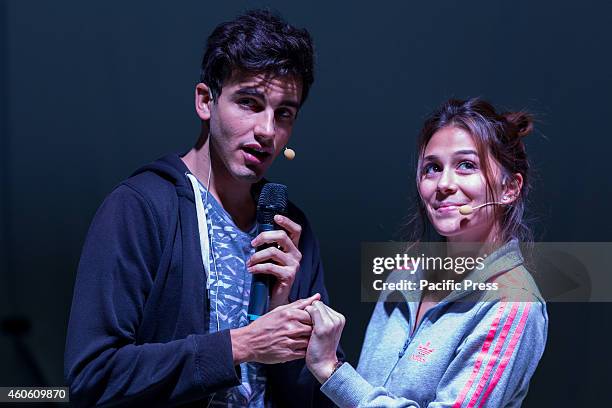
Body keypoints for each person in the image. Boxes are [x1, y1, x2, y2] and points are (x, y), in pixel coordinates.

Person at [64, 9, 340, 407]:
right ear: (205, 101)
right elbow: (92, 378)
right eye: (249, 102)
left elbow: (310, 395)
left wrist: (286, 318)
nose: (267, 130)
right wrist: (238, 346)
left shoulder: (289, 227)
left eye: (284, 114)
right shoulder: (141, 208)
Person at [303, 98, 548, 407]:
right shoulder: (403, 275)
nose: (443, 184)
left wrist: (332, 372)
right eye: (432, 168)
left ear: (509, 188)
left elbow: (348, 388)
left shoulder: (513, 303)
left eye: (466, 165)